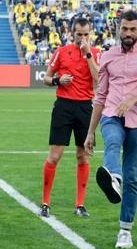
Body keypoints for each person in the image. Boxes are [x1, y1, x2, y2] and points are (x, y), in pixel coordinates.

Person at [84, 11, 137, 249]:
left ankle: (125, 231)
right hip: (111, 115)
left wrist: (133, 100)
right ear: (119, 29)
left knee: (133, 177)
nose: (129, 33)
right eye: (125, 29)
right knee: (113, 141)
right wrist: (90, 131)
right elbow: (101, 95)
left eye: (133, 30)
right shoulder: (108, 56)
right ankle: (113, 177)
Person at [39, 17, 100, 218]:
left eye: (85, 34)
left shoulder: (95, 53)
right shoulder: (61, 52)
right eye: (78, 34)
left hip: (85, 108)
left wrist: (88, 53)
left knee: (83, 156)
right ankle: (45, 202)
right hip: (63, 107)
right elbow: (46, 78)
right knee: (55, 156)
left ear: (90, 34)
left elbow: (98, 79)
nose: (82, 38)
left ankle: (80, 204)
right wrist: (58, 79)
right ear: (71, 33)